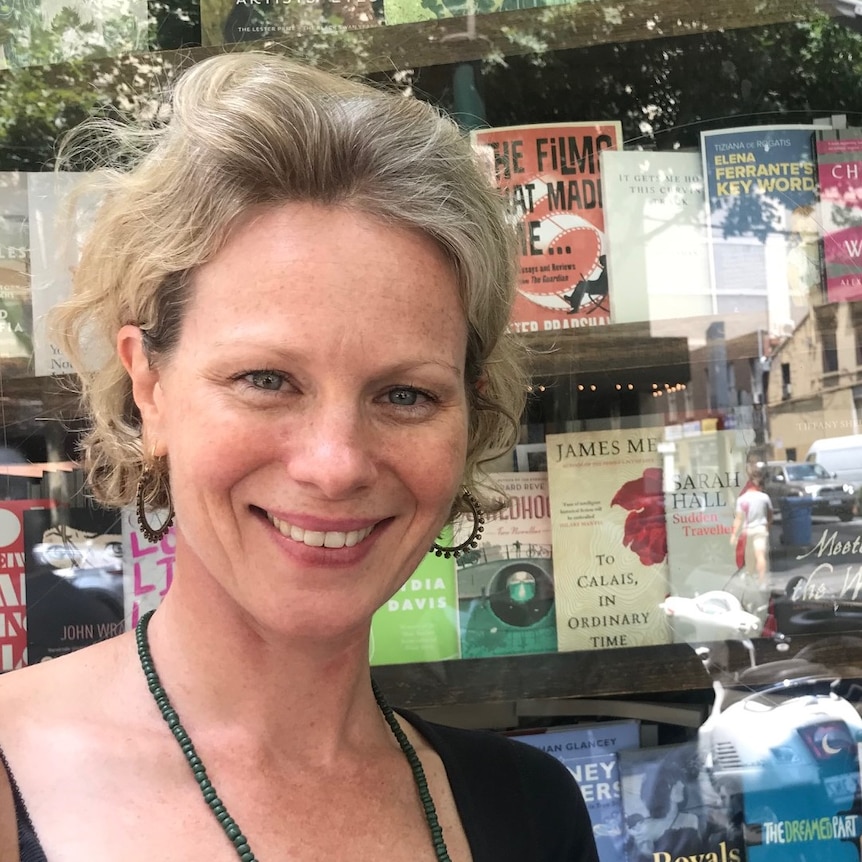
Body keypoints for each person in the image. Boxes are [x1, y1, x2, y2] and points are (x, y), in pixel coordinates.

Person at [0, 53, 598, 861]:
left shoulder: (528, 809)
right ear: (149, 383)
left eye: (405, 395)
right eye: (267, 379)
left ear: (471, 411)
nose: (336, 462)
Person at [729, 469, 773, 585]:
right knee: (760, 556)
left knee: (749, 558)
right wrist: (767, 526)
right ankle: (762, 581)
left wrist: (734, 535)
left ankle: (751, 578)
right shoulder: (764, 497)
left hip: (747, 531)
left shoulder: (741, 499)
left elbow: (738, 519)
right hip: (760, 530)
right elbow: (770, 515)